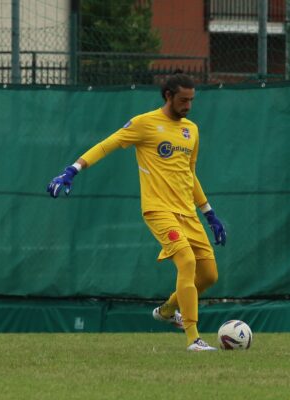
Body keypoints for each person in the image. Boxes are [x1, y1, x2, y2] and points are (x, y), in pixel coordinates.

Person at [47, 73, 226, 351]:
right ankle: (194, 338)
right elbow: (108, 144)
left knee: (210, 275)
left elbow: (189, 174)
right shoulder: (144, 124)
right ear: (168, 96)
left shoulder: (191, 130)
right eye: (183, 100)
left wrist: (209, 213)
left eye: (191, 100)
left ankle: (167, 310)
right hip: (159, 210)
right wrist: (73, 170)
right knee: (187, 262)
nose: (188, 105)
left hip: (187, 212)